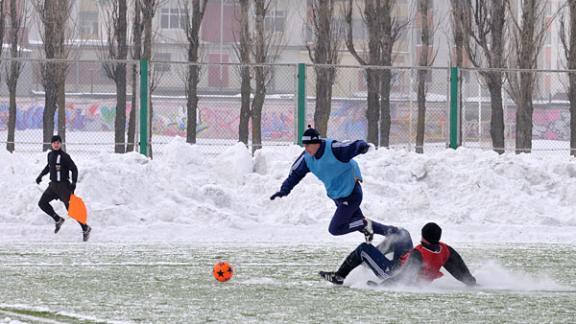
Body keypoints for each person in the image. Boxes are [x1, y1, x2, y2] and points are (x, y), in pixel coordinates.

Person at [270, 126, 394, 242]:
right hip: (338, 195)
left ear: (317, 143)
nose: (306, 148)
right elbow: (295, 173)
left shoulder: (333, 149)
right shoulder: (307, 158)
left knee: (336, 228)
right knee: (358, 223)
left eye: (308, 145)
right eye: (304, 145)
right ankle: (392, 233)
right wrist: (284, 190)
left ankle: (372, 226)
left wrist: (361, 146)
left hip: (351, 192)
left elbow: (350, 146)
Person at [320, 223, 476, 287]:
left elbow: (403, 278)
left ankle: (339, 276)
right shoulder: (445, 249)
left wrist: (381, 287)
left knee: (363, 249)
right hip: (403, 261)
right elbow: (459, 268)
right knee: (402, 234)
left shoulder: (417, 255)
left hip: (391, 271)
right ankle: (370, 259)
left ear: (423, 237)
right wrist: (471, 282)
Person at [36, 135, 91, 242]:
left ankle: (85, 228)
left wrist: (74, 182)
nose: (56, 145)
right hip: (53, 186)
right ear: (51, 144)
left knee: (71, 209)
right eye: (54, 143)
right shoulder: (50, 155)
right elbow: (49, 166)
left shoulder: (65, 156)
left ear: (61, 144)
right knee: (42, 203)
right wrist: (40, 175)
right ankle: (58, 219)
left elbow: (74, 169)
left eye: (58, 143)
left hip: (64, 187)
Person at [319, 226, 414, 285]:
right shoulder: (425, 249)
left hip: (393, 273)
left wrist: (383, 286)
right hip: (403, 263)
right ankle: (368, 260)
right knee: (400, 233)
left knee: (363, 249)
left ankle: (339, 277)